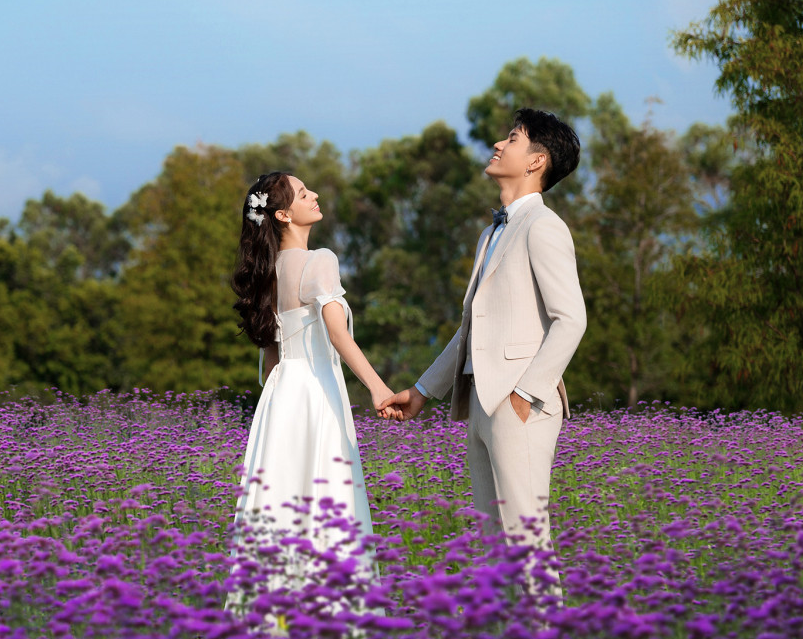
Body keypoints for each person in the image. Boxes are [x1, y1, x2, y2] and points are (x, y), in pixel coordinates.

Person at [378, 108, 587, 596]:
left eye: (511, 138)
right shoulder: (491, 232)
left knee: (526, 543)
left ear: (537, 160)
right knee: (496, 547)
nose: (497, 145)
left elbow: (571, 320)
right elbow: (471, 330)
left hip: (519, 406)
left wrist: (524, 395)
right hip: (480, 404)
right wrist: (422, 392)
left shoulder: (543, 226)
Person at [229, 171, 396, 605]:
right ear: (283, 214)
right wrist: (378, 389)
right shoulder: (319, 260)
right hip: (316, 389)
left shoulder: (265, 276)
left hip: (280, 396)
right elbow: (339, 336)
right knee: (326, 491)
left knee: (280, 498)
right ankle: (331, 608)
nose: (315, 195)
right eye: (304, 194)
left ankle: (272, 609)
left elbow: (270, 365)